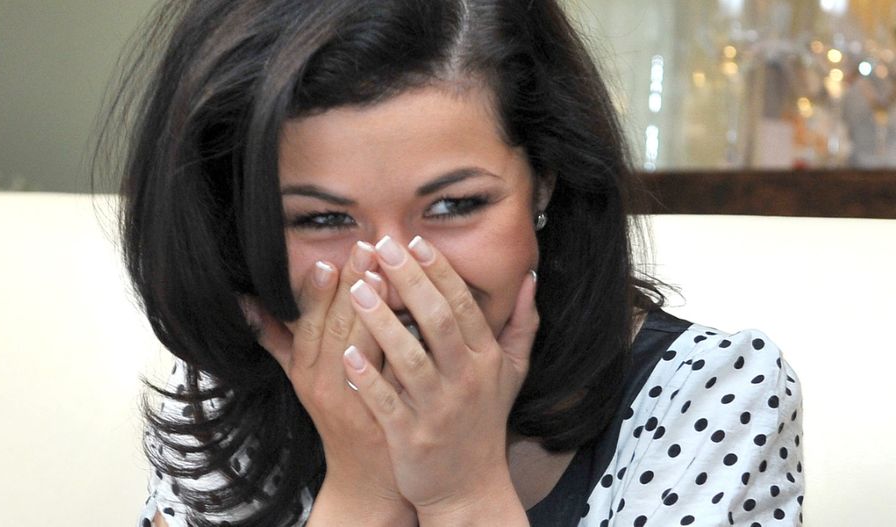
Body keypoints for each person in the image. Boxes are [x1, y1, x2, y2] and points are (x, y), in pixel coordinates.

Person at [98, 1, 804, 525]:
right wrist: (364, 491)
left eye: (454, 205)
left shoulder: (712, 392)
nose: (392, 273)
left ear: (544, 180)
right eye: (323, 219)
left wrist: (463, 492)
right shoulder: (233, 389)